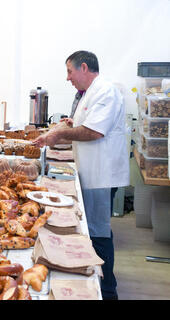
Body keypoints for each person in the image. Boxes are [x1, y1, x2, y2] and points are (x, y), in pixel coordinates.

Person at [34, 50, 130, 300]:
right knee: (95, 229)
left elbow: (94, 131)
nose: (68, 78)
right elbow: (86, 122)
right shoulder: (91, 93)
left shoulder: (105, 90)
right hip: (91, 170)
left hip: (102, 173)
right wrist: (70, 123)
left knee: (98, 232)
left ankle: (107, 290)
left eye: (69, 71)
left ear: (84, 68)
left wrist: (59, 135)